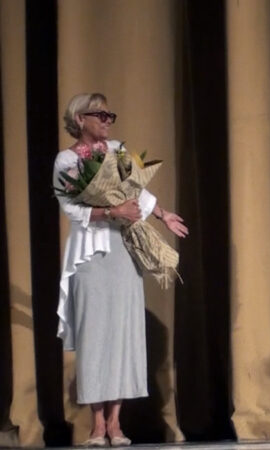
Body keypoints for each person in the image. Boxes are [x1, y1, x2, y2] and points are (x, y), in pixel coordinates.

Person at [53, 93, 189, 446]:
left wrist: (162, 214)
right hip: (89, 255)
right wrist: (112, 212)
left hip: (122, 252)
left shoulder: (118, 150)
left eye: (109, 115)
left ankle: (115, 423)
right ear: (80, 119)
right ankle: (97, 424)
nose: (107, 120)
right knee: (95, 336)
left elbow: (137, 189)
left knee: (122, 333)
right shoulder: (66, 159)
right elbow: (72, 209)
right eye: (100, 114)